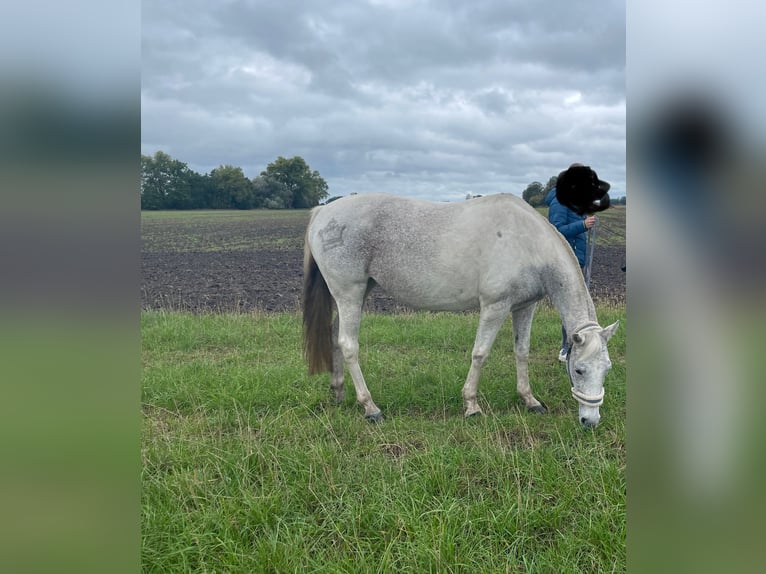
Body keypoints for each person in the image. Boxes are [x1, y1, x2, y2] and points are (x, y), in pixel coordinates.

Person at [545, 181, 597, 362]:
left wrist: (584, 262)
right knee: (572, 305)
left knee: (577, 305)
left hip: (576, 260)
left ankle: (576, 344)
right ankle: (566, 349)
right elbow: (556, 230)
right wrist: (583, 224)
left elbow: (579, 236)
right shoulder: (560, 202)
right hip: (566, 262)